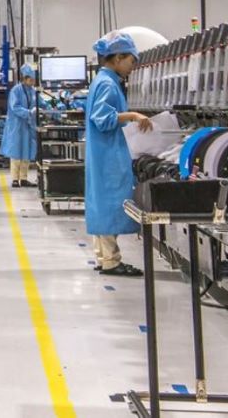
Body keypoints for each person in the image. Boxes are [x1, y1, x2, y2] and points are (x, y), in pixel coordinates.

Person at [85, 31, 153, 277]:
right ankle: (111, 261)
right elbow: (102, 118)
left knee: (103, 202)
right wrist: (134, 116)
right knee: (111, 203)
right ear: (117, 58)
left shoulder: (104, 80)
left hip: (105, 151)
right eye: (131, 61)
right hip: (108, 154)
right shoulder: (107, 83)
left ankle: (105, 258)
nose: (132, 66)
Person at [1, 64, 38, 188]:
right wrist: (28, 112)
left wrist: (54, 106)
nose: (33, 82)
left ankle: (24, 178)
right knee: (16, 152)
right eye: (31, 79)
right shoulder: (16, 90)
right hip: (17, 125)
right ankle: (15, 179)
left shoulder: (32, 91)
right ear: (25, 78)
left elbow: (41, 102)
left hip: (28, 125)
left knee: (26, 152)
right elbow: (15, 107)